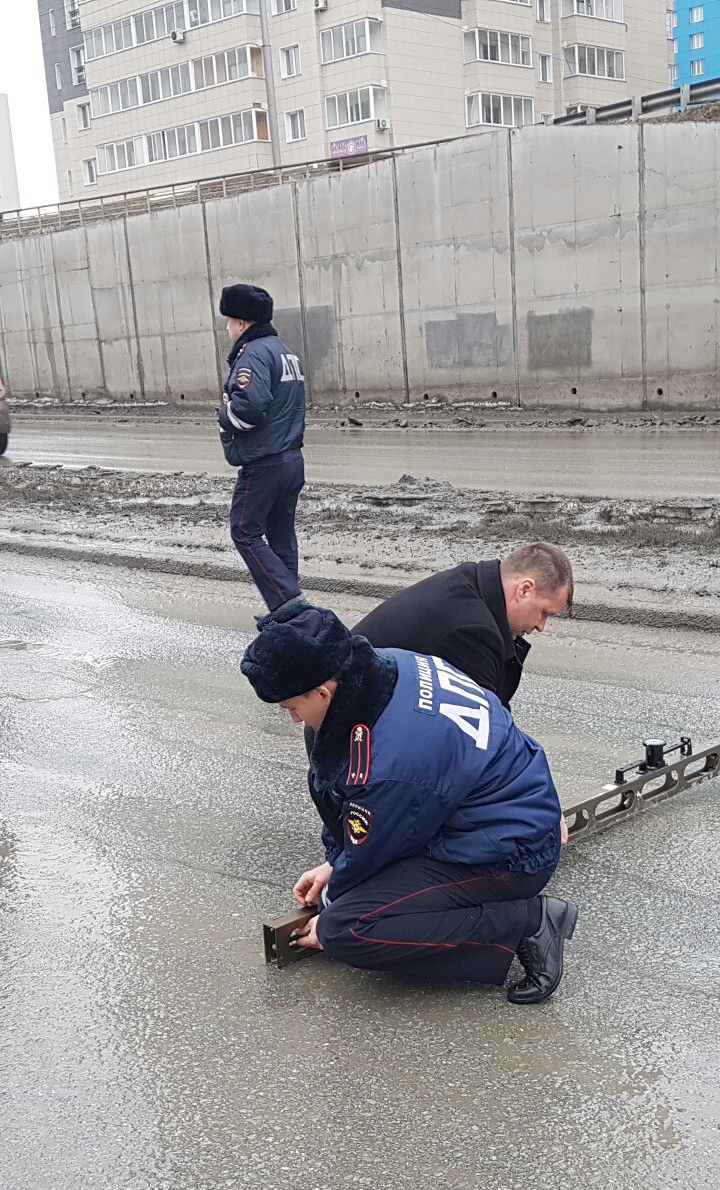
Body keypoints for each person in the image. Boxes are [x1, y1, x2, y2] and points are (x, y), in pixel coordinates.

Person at [242, 600, 578, 1004]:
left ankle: (529, 923)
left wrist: (329, 909)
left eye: (293, 708)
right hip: (508, 811)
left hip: (512, 856)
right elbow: (365, 808)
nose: (295, 719)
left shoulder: (391, 760)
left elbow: (373, 850)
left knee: (348, 931)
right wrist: (334, 861)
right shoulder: (389, 665)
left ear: (322, 691)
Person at [354, 543, 574, 709]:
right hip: (347, 734)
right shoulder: (473, 631)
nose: (541, 626)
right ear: (524, 589)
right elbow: (485, 734)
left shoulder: (470, 582)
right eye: (544, 613)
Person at [216, 282, 307, 616]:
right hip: (291, 459)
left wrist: (224, 418)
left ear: (241, 323)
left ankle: (286, 602)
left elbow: (250, 407)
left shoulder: (253, 354)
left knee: (244, 531)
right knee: (280, 534)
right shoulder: (285, 351)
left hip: (264, 463)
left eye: (228, 322)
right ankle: (295, 613)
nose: (227, 329)